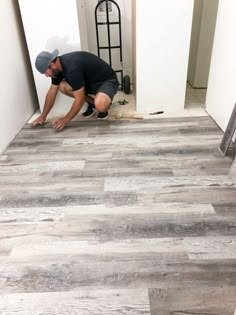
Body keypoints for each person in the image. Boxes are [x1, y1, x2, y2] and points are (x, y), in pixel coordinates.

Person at [32, 49, 119, 130]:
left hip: (107, 81)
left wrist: (66, 119)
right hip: (90, 83)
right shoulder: (56, 70)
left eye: (46, 72)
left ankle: (104, 105)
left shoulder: (71, 68)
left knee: (100, 105)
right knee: (62, 86)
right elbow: (51, 93)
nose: (46, 76)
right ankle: (93, 103)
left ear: (52, 65)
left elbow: (80, 99)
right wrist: (43, 116)